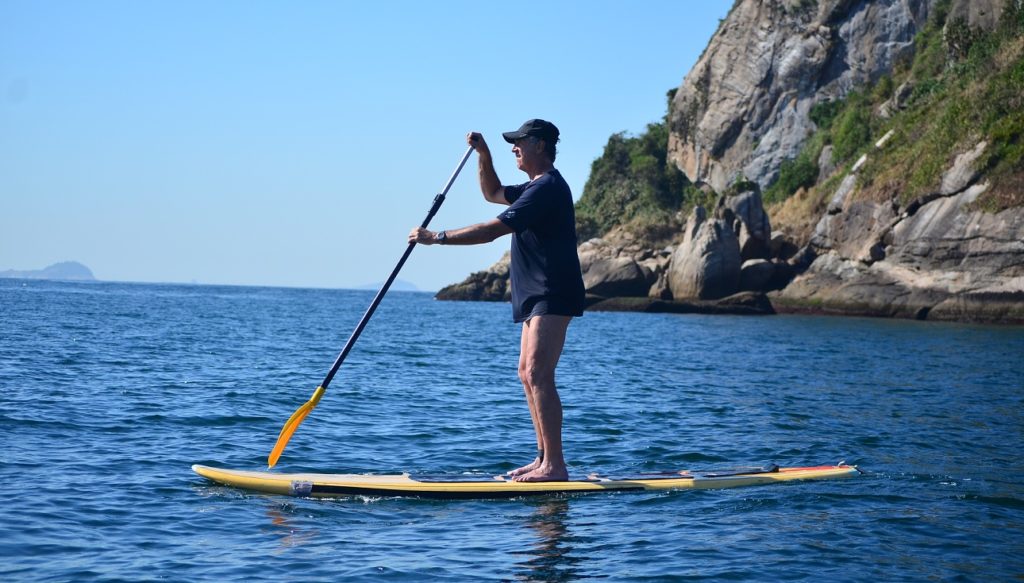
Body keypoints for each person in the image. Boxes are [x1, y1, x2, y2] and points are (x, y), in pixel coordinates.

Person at [408, 119, 585, 482]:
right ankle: (542, 458)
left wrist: (436, 237)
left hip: (553, 291)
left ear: (540, 144)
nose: (514, 147)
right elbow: (491, 192)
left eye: (519, 142)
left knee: (538, 373)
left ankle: (555, 465)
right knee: (526, 373)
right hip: (536, 294)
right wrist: (483, 153)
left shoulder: (548, 188)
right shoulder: (532, 188)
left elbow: (491, 231)